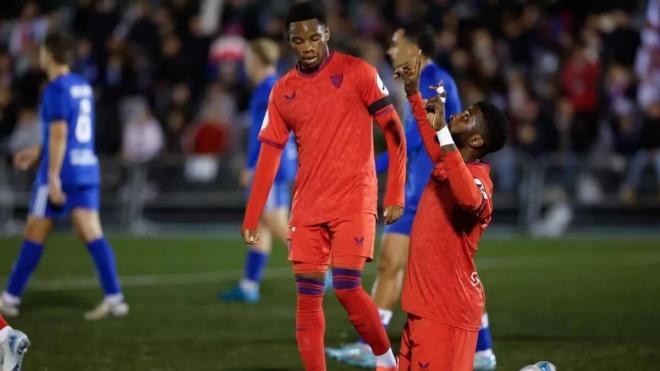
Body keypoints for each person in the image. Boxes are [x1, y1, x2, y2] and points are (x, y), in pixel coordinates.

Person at [242, 2, 406, 370]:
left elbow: (394, 133)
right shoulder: (283, 91)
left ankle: (386, 361)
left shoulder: (358, 72)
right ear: (289, 42)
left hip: (354, 199)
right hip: (308, 206)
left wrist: (394, 192)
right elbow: (268, 154)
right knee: (307, 299)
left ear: (326, 34)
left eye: (314, 37)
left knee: (347, 287)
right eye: (298, 40)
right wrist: (252, 214)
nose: (308, 46)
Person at [326, 24, 497, 370]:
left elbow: (440, 145)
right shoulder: (421, 85)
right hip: (422, 192)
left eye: (396, 43)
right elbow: (410, 139)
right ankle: (479, 349)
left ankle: (373, 344)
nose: (390, 50)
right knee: (435, 273)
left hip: (426, 195)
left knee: (427, 270)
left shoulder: (439, 82)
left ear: (415, 47)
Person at [0, 33, 128, 321]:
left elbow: (60, 132)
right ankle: (115, 297)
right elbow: (68, 132)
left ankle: (9, 299)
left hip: (62, 172)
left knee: (34, 230)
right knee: (91, 232)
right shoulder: (81, 86)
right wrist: (38, 149)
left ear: (50, 54)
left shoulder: (55, 88)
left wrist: (53, 175)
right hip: (85, 167)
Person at [396, 53, 509, 370]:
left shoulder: (478, 180)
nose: (460, 113)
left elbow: (469, 199)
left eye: (469, 115)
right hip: (425, 304)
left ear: (475, 139)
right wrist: (412, 92)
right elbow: (430, 137)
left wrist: (444, 134)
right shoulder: (449, 165)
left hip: (447, 310)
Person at [220, 38, 297, 303]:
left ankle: (321, 268)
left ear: (256, 60)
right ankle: (249, 285)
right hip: (278, 162)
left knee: (274, 221)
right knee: (263, 223)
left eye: (248, 59)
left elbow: (264, 133)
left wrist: (253, 166)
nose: (245, 64)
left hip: (270, 165)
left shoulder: (268, 88)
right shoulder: (275, 86)